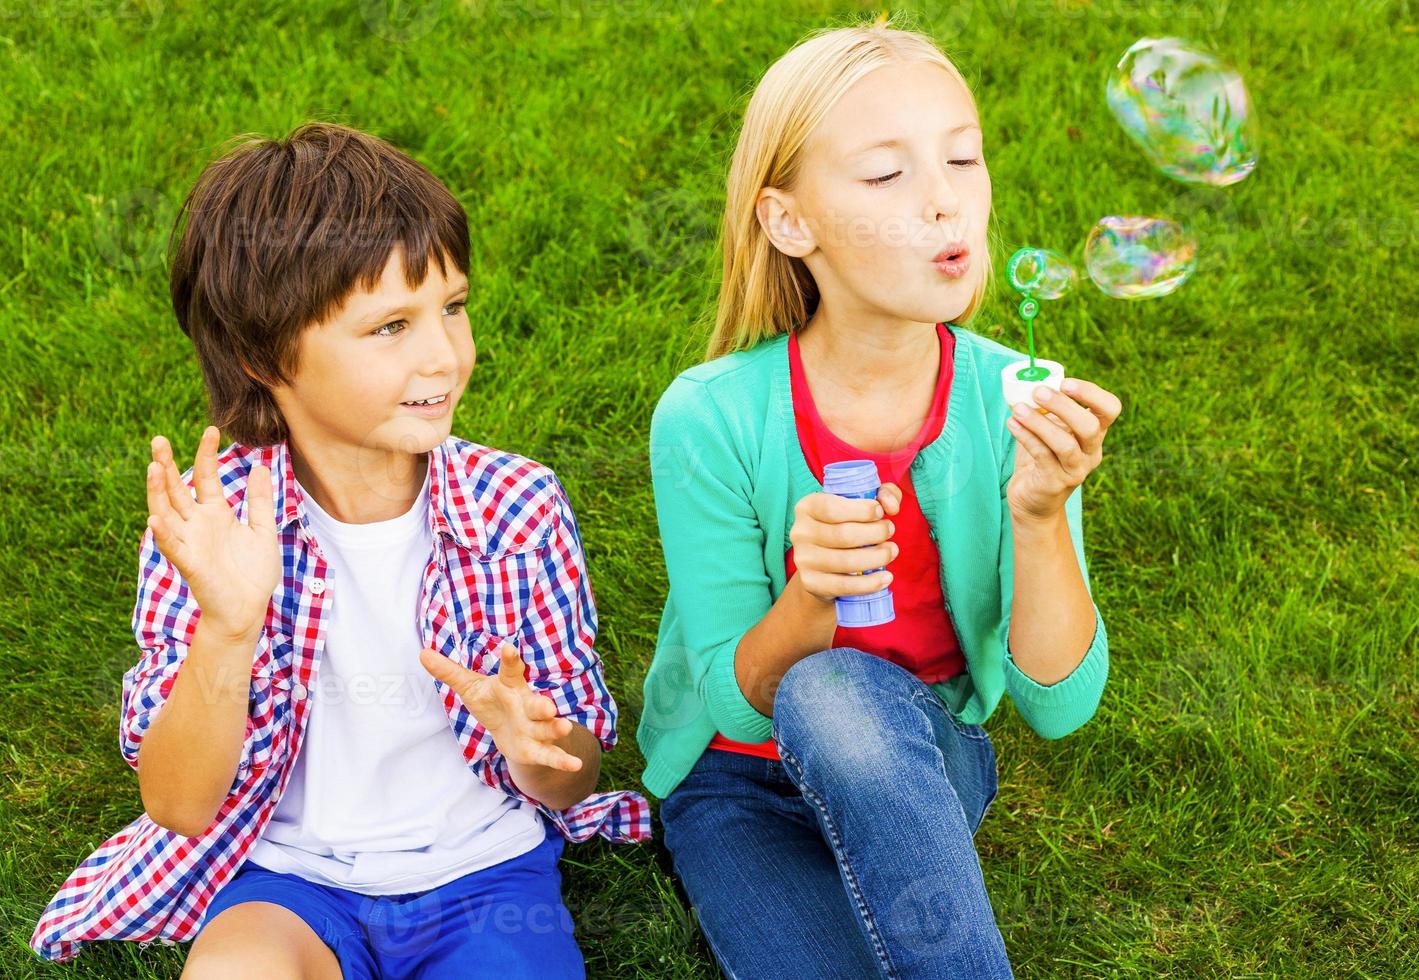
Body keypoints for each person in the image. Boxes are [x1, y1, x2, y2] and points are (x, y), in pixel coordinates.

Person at [30, 121, 650, 978]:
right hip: (286, 883)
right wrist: (227, 624)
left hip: (483, 874)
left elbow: (574, 775)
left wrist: (535, 749)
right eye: (390, 327)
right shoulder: (214, 531)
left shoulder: (518, 508)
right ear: (263, 357)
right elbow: (177, 802)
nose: (445, 353)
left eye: (453, 307)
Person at [639, 16, 1122, 979]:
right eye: (886, 174)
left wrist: (1038, 515)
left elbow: (1059, 703)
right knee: (818, 687)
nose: (945, 202)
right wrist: (810, 593)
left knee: (845, 695)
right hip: (740, 784)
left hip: (923, 755)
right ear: (789, 222)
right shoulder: (710, 417)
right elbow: (740, 709)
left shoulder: (1015, 397)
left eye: (962, 158)